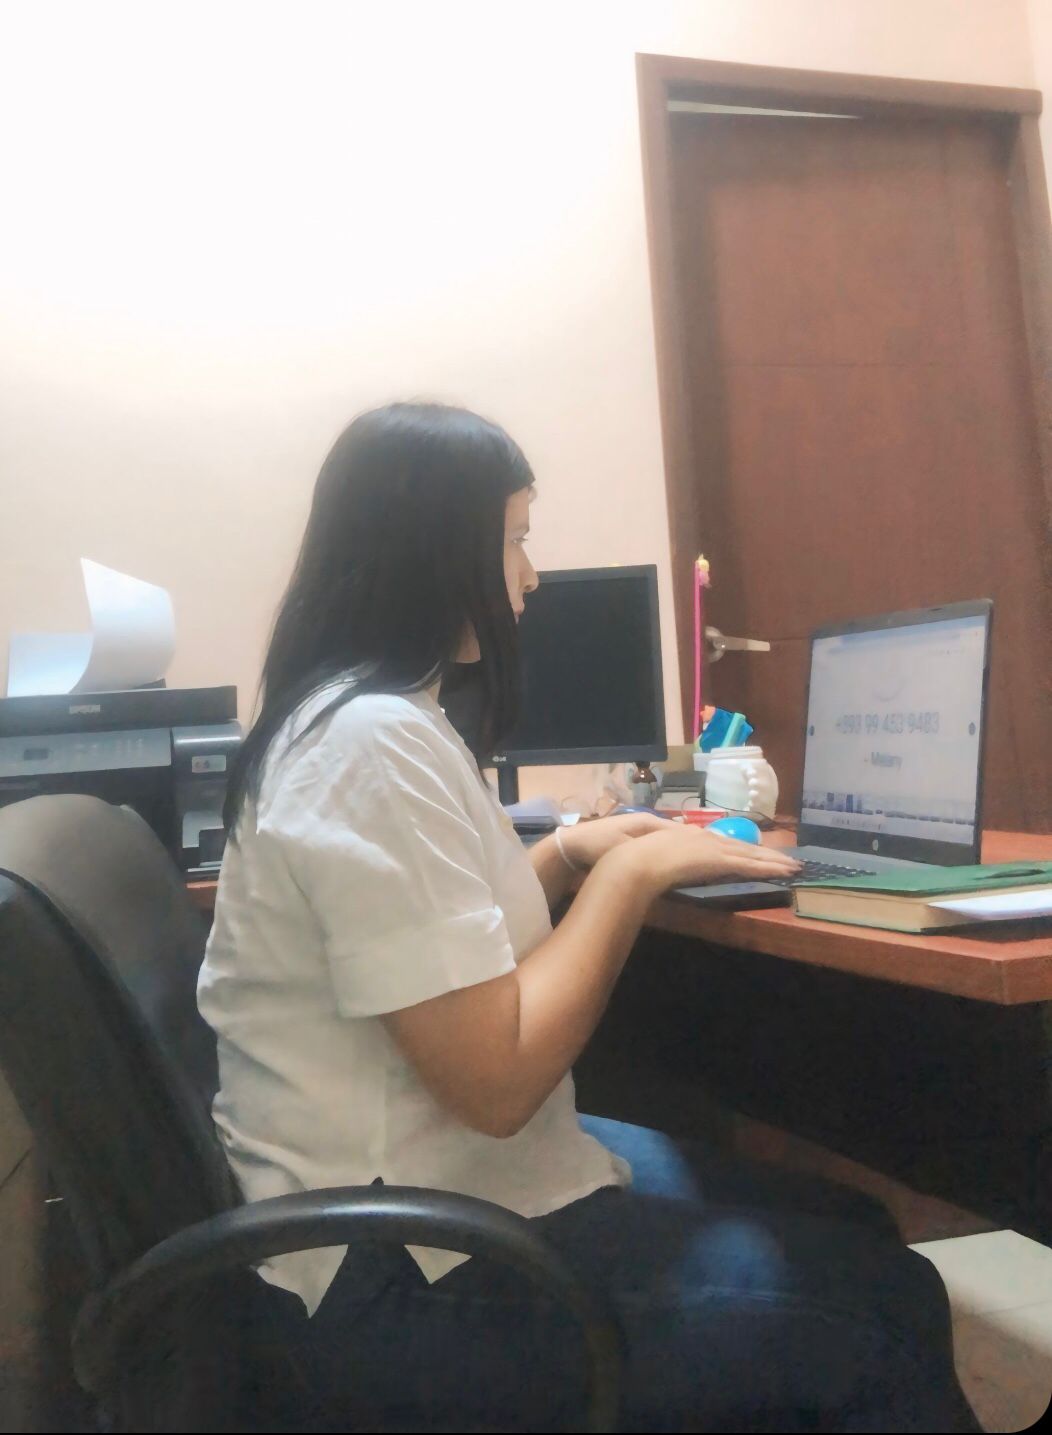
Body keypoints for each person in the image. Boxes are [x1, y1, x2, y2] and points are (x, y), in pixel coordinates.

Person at [198, 402, 980, 1432]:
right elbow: (497, 1081)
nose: (529, 575)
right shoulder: (368, 745)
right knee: (884, 1307)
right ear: (432, 549)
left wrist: (569, 853)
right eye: (514, 538)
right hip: (392, 1272)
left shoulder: (352, 719)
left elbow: (435, 929)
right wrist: (633, 875)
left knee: (852, 1220)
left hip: (414, 1199)